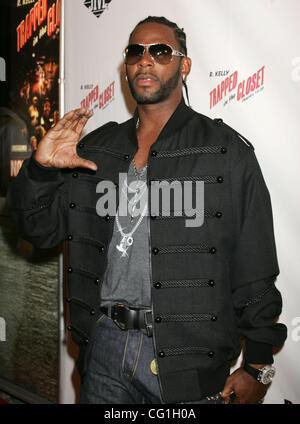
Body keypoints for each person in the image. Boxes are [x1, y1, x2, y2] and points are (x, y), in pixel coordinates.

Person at [7, 16, 287, 404]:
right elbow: (39, 229)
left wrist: (258, 364)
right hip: (103, 349)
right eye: (135, 52)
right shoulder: (96, 151)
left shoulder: (225, 153)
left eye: (160, 51)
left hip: (188, 360)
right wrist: (40, 168)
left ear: (184, 65)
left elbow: (255, 265)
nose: (145, 60)